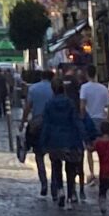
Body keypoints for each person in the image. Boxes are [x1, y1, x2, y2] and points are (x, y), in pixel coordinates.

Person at [37, 76, 84, 207]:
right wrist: (83, 137)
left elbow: (46, 124)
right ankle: (71, 193)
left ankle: (60, 190)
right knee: (70, 168)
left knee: (56, 166)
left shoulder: (49, 104)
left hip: (54, 140)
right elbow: (76, 121)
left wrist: (43, 142)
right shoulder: (69, 103)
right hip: (69, 139)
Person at [22, 69, 55, 196]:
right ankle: (54, 184)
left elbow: (28, 107)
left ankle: (44, 183)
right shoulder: (54, 88)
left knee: (39, 155)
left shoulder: (33, 89)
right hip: (52, 124)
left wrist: (23, 122)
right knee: (54, 156)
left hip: (37, 124)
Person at [79, 68, 109, 134]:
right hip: (101, 119)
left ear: (87, 75)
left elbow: (82, 106)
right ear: (95, 74)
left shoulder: (84, 88)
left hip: (89, 119)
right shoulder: (103, 88)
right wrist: (108, 119)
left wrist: (82, 118)